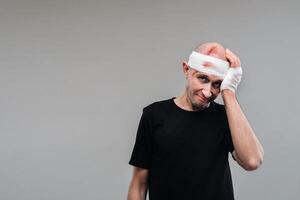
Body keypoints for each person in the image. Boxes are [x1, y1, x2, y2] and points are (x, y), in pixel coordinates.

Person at [127, 42, 264, 200]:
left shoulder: (226, 116)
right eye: (203, 78)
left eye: (217, 84)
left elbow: (252, 161)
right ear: (186, 69)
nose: (207, 92)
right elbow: (139, 184)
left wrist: (229, 92)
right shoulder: (154, 115)